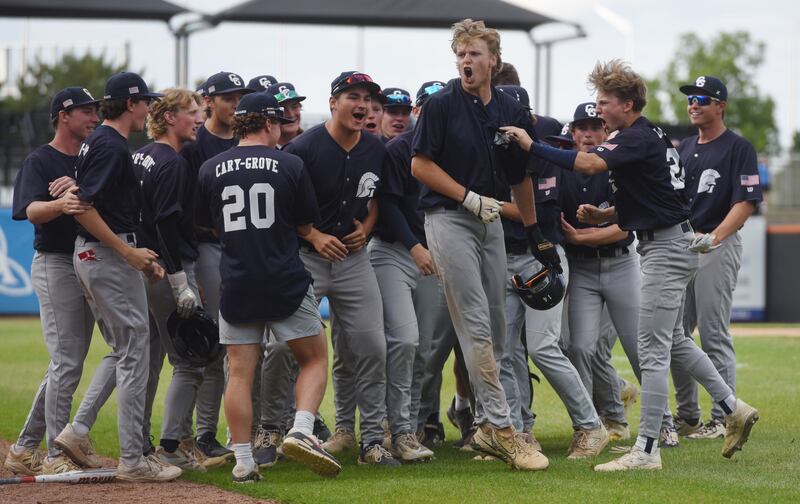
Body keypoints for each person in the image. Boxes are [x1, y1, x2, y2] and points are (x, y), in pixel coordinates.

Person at [502, 59, 759, 472]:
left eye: (604, 102)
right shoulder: (646, 133)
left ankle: (647, 449)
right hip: (671, 240)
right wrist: (607, 217)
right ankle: (733, 406)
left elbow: (587, 163)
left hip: (665, 248)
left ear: (626, 103)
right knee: (674, 340)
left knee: (653, 351)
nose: (598, 109)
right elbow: (654, 193)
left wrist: (532, 145)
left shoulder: (636, 136)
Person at [411, 19, 555, 471]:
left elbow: (519, 177)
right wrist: (466, 196)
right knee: (474, 324)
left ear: (494, 59)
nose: (466, 61)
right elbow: (419, 165)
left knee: (496, 329)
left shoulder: (509, 105)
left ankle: (492, 428)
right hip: (450, 217)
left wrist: (536, 236)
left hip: (490, 220)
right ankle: (504, 428)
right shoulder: (440, 105)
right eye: (460, 54)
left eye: (474, 53)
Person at [197, 91, 341, 483]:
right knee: (313, 358)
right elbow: (305, 223)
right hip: (284, 278)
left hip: (237, 280)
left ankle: (243, 460)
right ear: (268, 123)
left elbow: (211, 225)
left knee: (240, 374)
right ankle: (300, 429)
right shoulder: (290, 164)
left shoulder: (210, 167)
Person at [51, 72, 182, 481]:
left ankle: (79, 430)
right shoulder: (110, 144)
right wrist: (126, 251)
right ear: (131, 104)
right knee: (134, 351)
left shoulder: (101, 141)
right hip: (106, 253)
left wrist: (138, 255)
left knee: (124, 348)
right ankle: (132, 461)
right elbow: (82, 206)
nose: (149, 109)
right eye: (145, 102)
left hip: (101, 253)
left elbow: (98, 200)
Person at [283, 71, 397, 466]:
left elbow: (377, 198)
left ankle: (372, 442)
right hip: (307, 257)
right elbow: (284, 208)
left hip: (353, 260)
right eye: (353, 96)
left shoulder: (375, 149)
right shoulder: (302, 148)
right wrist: (313, 235)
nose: (362, 104)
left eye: (367, 98)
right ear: (333, 102)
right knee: (281, 348)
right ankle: (277, 430)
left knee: (372, 347)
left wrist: (365, 229)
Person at [494, 89, 608, 459]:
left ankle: (591, 427)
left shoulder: (541, 154)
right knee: (506, 350)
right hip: (502, 258)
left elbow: (540, 217)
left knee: (543, 346)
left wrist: (483, 201)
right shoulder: (486, 153)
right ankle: (521, 432)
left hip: (541, 257)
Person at [5, 88, 100, 476]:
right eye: (86, 111)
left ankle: (24, 447)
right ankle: (53, 453)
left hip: (89, 262)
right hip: (56, 263)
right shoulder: (40, 159)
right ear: (64, 115)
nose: (94, 117)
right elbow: (30, 211)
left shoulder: (93, 157)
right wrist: (60, 203)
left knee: (68, 361)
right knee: (66, 360)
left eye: (96, 110)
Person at [670, 76, 763, 440]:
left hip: (716, 244)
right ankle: (688, 415)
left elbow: (745, 202)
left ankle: (723, 418)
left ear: (720, 105)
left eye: (701, 99)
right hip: (682, 246)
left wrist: (714, 238)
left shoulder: (738, 146)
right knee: (675, 334)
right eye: (690, 99)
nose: (693, 104)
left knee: (712, 334)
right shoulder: (685, 147)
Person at [368, 81, 453, 462]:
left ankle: (410, 429)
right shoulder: (399, 148)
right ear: (420, 111)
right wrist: (415, 247)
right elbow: (387, 203)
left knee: (423, 350)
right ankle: (388, 428)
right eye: (426, 106)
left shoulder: (453, 149)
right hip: (394, 250)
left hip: (436, 256)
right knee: (400, 342)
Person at [254, 80, 332, 467]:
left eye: (296, 104)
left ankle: (303, 421)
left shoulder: (303, 150)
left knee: (291, 348)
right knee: (268, 351)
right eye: (283, 106)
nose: (292, 111)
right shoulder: (261, 154)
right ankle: (268, 426)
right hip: (267, 262)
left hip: (297, 259)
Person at [133, 88, 211, 471]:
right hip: (165, 268)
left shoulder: (141, 156)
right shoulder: (173, 162)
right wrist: (180, 279)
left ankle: (138, 443)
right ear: (169, 118)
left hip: (140, 267)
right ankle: (170, 446)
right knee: (189, 362)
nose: (199, 118)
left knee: (144, 361)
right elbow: (166, 221)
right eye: (191, 111)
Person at [558, 102, 641, 442]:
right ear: (573, 133)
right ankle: (597, 424)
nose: (589, 133)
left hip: (621, 263)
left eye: (595, 126)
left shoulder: (617, 168)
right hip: (581, 270)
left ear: (607, 132)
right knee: (580, 348)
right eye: (582, 127)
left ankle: (663, 423)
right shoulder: (563, 171)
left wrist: (582, 235)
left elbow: (626, 228)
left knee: (638, 347)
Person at [182, 71, 253, 462]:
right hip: (209, 247)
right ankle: (203, 433)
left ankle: (241, 431)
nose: (235, 103)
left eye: (238, 97)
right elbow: (191, 210)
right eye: (227, 97)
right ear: (208, 101)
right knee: (214, 344)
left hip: (244, 251)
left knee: (242, 346)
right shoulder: (197, 144)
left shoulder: (246, 139)